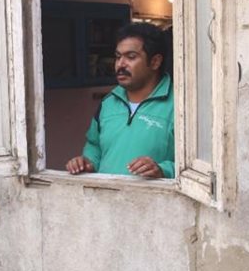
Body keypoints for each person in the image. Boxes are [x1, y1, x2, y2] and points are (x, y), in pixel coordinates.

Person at [66, 21, 174, 179]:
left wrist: (164, 170)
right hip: (105, 193)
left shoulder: (178, 105)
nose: (120, 64)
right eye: (118, 57)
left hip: (154, 195)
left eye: (131, 57)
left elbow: (196, 166)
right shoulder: (108, 103)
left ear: (155, 62)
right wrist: (87, 162)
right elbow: (94, 146)